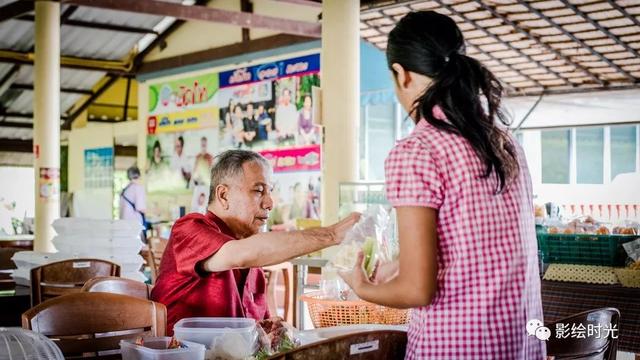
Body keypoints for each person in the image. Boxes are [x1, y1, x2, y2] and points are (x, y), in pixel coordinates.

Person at [339, 11, 545, 359]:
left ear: (401, 75)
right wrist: (402, 263)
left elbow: (417, 290)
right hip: (519, 344)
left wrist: (361, 288)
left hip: (455, 348)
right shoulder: (505, 142)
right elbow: (475, 248)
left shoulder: (418, 150)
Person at [151, 150, 359, 334]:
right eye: (258, 191)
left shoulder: (254, 261)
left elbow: (252, 329)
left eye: (270, 191)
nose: (269, 203)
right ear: (223, 195)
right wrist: (331, 235)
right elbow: (240, 254)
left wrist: (266, 330)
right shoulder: (190, 228)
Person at [119, 166, 147, 240]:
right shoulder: (139, 188)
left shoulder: (124, 190)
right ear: (139, 175)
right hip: (134, 223)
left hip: (124, 223)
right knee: (137, 247)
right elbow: (140, 208)